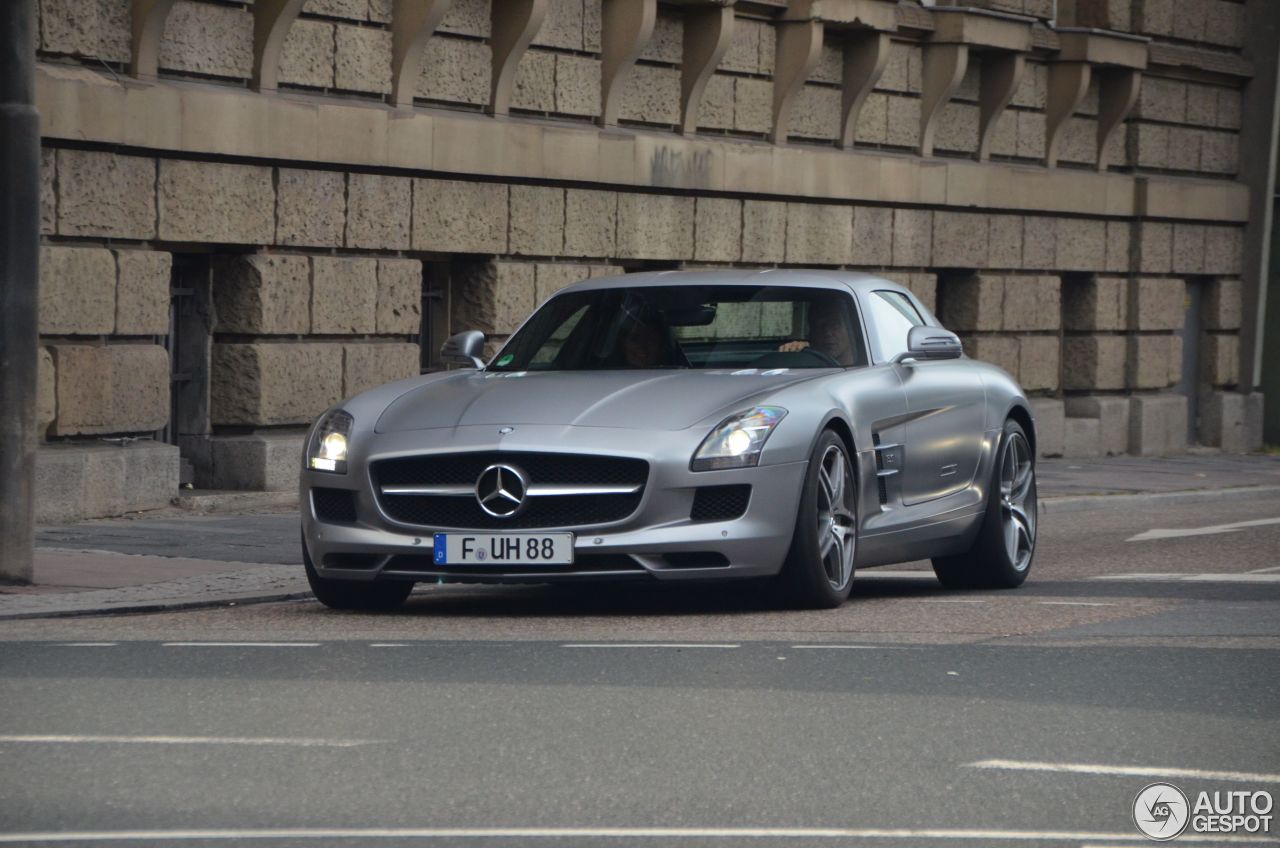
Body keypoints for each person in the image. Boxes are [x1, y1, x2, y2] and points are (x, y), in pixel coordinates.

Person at [779, 305, 856, 365]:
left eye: (834, 324)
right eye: (819, 326)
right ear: (811, 333)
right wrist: (795, 351)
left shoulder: (865, 367)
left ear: (850, 329)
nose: (828, 333)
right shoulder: (806, 362)